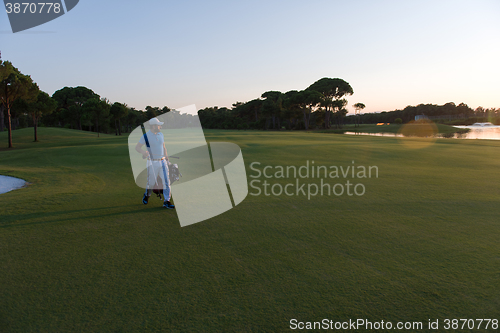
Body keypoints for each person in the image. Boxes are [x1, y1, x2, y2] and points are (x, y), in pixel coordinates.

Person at [135, 118, 175, 209]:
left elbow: (164, 147)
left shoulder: (161, 134)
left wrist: (167, 160)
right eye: (158, 125)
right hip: (151, 163)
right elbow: (137, 147)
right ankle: (147, 195)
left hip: (163, 161)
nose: (160, 126)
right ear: (153, 126)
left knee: (167, 182)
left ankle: (166, 201)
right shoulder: (146, 136)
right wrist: (143, 152)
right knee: (151, 183)